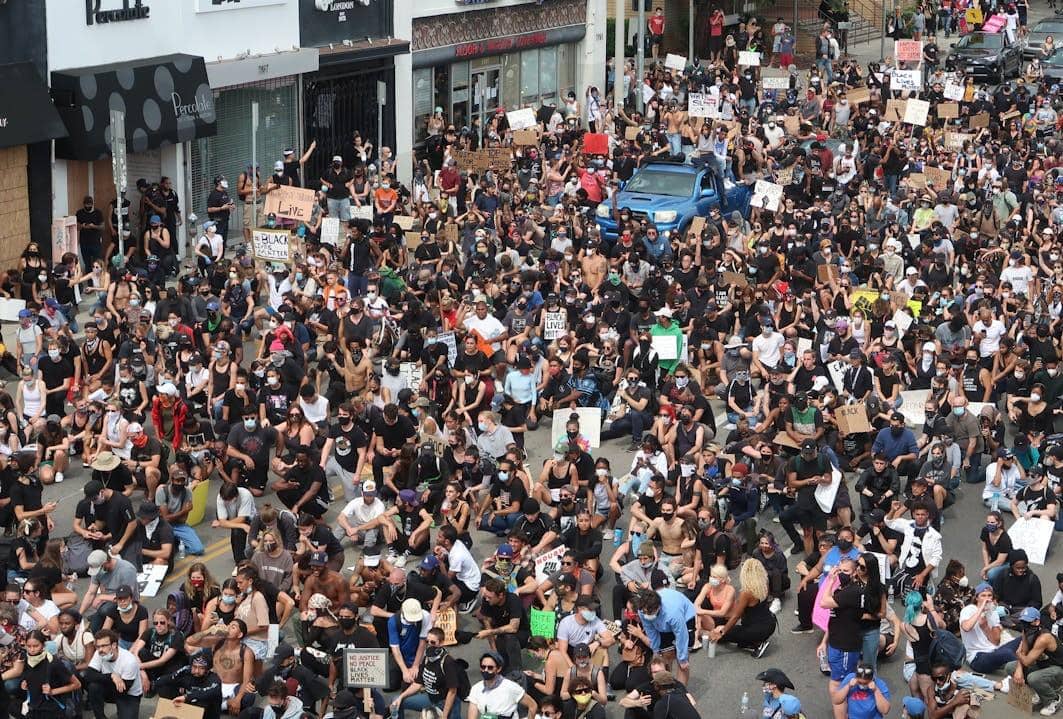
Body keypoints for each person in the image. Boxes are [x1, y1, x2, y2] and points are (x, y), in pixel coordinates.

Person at [83, 628, 144, 719]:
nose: (100, 650)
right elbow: (88, 675)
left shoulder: (129, 660)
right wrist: (112, 676)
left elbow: (123, 690)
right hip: (111, 687)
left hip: (129, 694)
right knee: (93, 687)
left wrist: (102, 678)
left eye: (104, 646)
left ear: (114, 645)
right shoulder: (99, 654)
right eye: (98, 646)